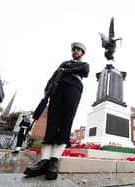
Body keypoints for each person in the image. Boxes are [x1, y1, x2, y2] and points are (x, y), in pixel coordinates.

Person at [24, 42, 89, 180]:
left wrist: (65, 71)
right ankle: (44, 161)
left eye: (78, 50)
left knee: (66, 121)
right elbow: (53, 76)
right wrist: (47, 90)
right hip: (57, 89)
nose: (76, 51)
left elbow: (85, 71)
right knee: (52, 122)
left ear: (82, 53)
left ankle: (54, 160)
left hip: (74, 89)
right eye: (74, 50)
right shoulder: (64, 63)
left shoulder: (83, 65)